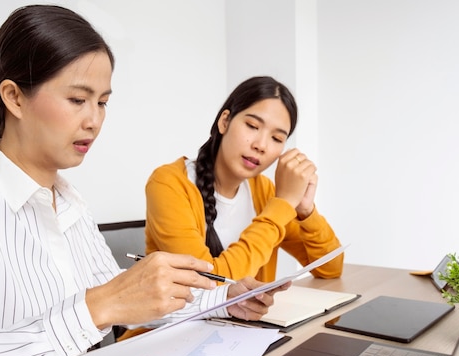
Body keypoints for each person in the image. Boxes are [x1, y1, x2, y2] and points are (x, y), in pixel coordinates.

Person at [0, 6, 288, 356]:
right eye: (77, 100)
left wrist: (223, 299)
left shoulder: (70, 204)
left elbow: (132, 299)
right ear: (14, 98)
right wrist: (97, 307)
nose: (94, 121)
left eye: (102, 102)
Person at [145, 76, 344, 282]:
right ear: (225, 122)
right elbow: (210, 282)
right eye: (252, 126)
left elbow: (331, 268)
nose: (261, 145)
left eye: (276, 138)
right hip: (186, 314)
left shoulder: (264, 191)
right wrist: (282, 205)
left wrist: (305, 211)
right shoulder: (168, 183)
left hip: (253, 315)